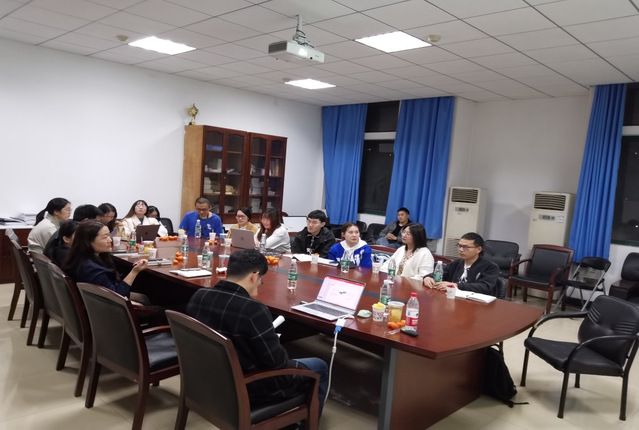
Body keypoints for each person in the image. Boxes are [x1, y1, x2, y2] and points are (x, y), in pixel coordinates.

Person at [186, 249, 328, 413]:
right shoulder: (253, 310)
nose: (261, 283)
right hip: (247, 386)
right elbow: (277, 363)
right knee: (319, 366)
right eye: (261, 278)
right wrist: (272, 339)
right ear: (254, 276)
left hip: (207, 377)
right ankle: (303, 422)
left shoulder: (199, 295)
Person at [64, 220, 150, 304]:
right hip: (103, 305)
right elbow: (117, 296)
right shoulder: (92, 269)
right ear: (88, 241)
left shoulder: (79, 256)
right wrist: (135, 271)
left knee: (143, 298)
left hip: (94, 300)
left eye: (109, 235)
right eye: (105, 237)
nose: (110, 240)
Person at [423, 232, 500, 296]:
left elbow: (484, 287)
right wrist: (428, 278)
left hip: (477, 304)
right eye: (459, 246)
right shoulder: (457, 263)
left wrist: (456, 285)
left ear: (479, 249)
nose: (461, 249)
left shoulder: (490, 267)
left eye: (466, 247)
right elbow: (441, 273)